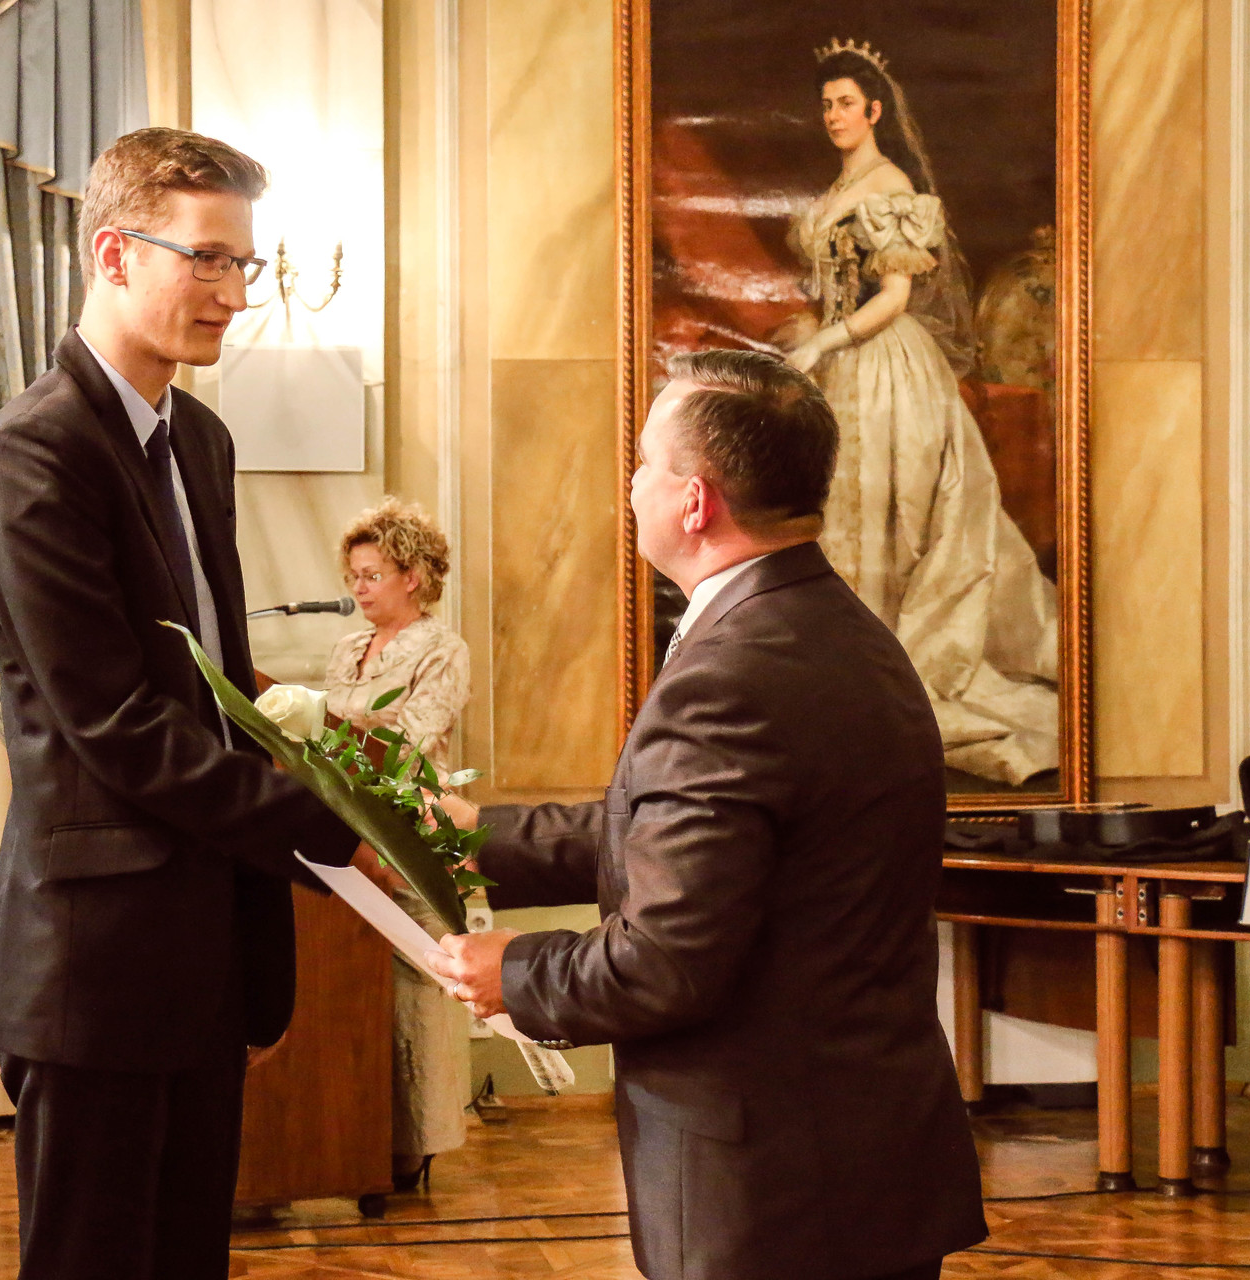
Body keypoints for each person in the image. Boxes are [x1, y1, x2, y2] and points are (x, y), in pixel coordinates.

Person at [426, 350, 987, 1280]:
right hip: (860, 1147)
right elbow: (685, 835)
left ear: (695, 502)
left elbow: (664, 965)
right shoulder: (836, 630)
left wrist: (513, 973)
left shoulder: (731, 674)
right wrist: (471, 841)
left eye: (646, 461)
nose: (632, 482)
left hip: (771, 1186)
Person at [0, 128, 387, 1280]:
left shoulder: (199, 437)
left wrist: (329, 738)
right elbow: (117, 724)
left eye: (245, 263)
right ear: (113, 253)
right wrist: (339, 831)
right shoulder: (37, 451)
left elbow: (212, 679)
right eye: (207, 259)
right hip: (96, 963)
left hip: (208, 945)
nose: (235, 294)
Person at [780, 39, 1059, 786]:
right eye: (827, 104)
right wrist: (813, 336)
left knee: (890, 516)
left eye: (846, 103)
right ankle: (844, 677)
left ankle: (882, 677)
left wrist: (824, 342)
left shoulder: (890, 183)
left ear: (875, 110)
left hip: (885, 366)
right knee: (844, 512)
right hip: (843, 363)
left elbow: (896, 298)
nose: (834, 115)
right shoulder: (842, 185)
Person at [321, 497, 472, 1189]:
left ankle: (417, 1142)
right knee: (349, 982)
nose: (358, 587)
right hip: (347, 827)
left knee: (418, 981)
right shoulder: (347, 649)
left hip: (412, 827)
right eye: (353, 575)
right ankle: (353, 1132)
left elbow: (410, 739)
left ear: (413, 576)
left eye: (372, 574)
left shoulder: (443, 649)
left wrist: (332, 734)